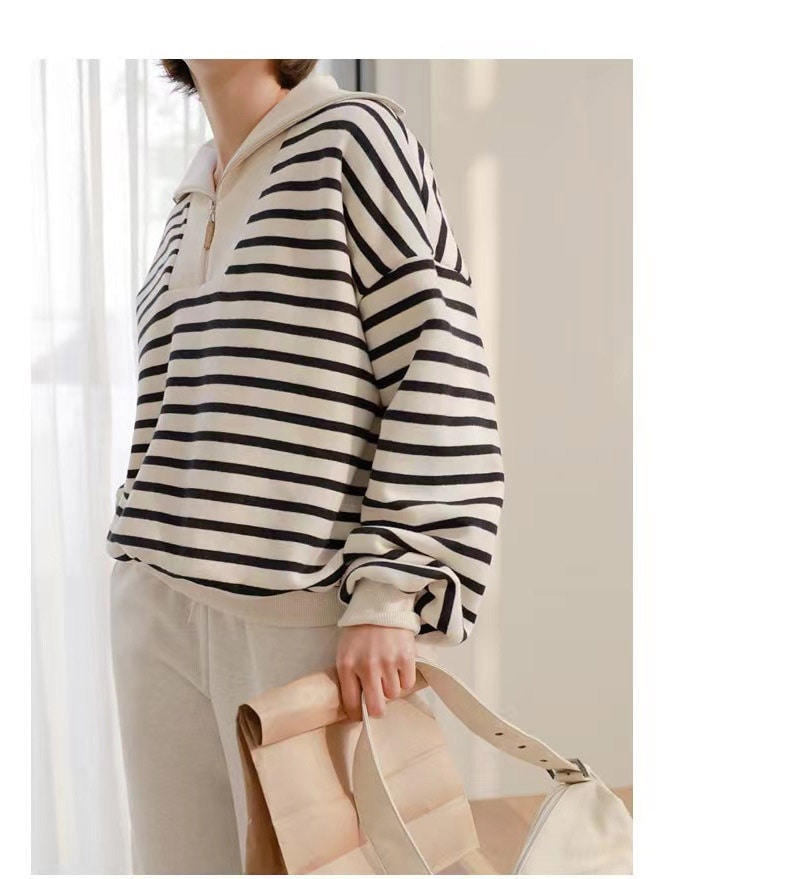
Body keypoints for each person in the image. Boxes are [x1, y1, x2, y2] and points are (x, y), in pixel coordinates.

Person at [107, 59, 505, 874]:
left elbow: (436, 359)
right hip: (157, 607)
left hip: (299, 616)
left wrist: (392, 591)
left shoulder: (356, 138)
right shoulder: (189, 198)